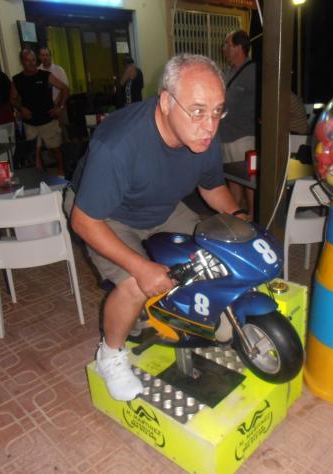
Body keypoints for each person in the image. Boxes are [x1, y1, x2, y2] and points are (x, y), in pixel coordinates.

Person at [70, 54, 247, 401]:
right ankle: (110, 355)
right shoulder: (118, 144)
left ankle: (199, 315)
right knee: (137, 283)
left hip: (161, 206)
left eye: (217, 112)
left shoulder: (204, 135)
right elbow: (83, 220)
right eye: (198, 111)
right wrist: (141, 266)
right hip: (103, 213)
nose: (209, 126)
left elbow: (212, 188)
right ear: (166, 102)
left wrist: (238, 217)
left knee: (215, 250)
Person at [10, 48, 69, 176]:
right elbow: (12, 99)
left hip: (48, 120)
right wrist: (21, 108)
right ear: (22, 62)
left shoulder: (45, 75)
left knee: (56, 149)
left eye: (33, 60)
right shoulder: (17, 79)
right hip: (30, 123)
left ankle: (61, 173)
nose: (31, 63)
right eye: (28, 60)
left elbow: (65, 89)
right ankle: (39, 177)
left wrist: (60, 107)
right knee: (34, 153)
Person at [220, 30, 257, 218]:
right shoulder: (228, 72)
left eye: (228, 44)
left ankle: (254, 218)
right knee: (233, 180)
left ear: (239, 47)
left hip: (244, 136)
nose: (224, 48)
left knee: (250, 181)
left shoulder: (254, 71)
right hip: (225, 135)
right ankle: (235, 218)